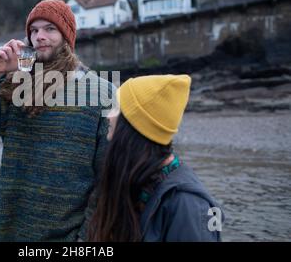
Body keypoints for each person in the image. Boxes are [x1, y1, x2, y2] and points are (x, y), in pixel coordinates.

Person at [0, 0, 114, 241]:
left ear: (67, 36)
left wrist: (85, 239)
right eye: (34, 31)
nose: (39, 37)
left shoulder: (101, 93)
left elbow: (108, 181)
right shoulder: (14, 89)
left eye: (50, 29)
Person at [87, 75, 224, 242]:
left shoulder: (189, 206)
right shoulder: (134, 179)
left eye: (116, 109)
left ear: (135, 128)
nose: (108, 116)